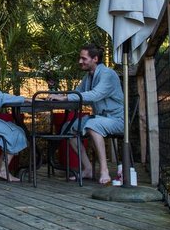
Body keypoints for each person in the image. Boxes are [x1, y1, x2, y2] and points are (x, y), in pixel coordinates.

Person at [51, 43, 124, 184]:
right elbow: (78, 93)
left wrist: (65, 98)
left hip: (116, 120)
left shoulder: (108, 74)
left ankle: (104, 171)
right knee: (68, 127)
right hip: (99, 117)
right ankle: (88, 168)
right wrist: (59, 95)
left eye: (84, 58)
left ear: (95, 59)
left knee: (93, 126)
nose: (80, 61)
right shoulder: (89, 76)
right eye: (80, 58)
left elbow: (95, 95)